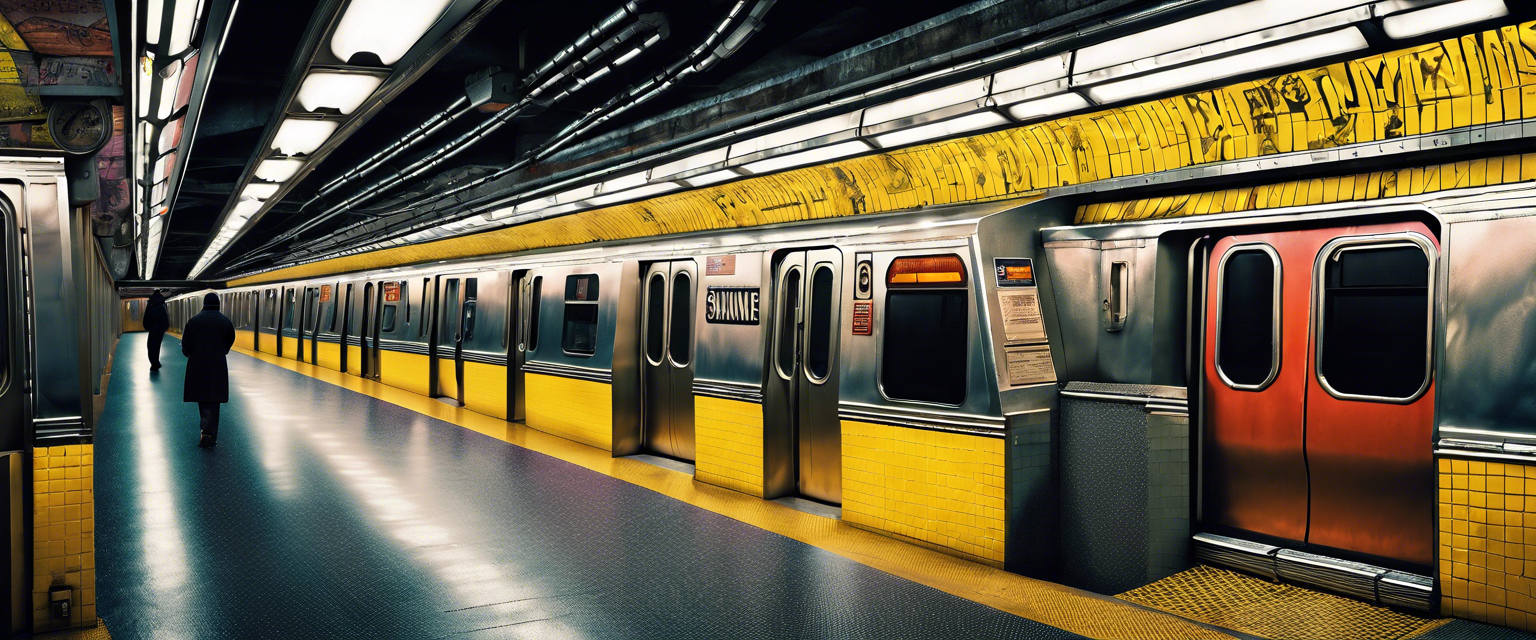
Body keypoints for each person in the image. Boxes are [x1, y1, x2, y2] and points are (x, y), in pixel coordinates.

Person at [182, 293, 235, 448]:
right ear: (218, 304)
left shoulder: (193, 321)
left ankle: (206, 432)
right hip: (217, 364)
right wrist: (222, 350)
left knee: (202, 398)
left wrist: (190, 353)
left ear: (204, 304)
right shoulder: (225, 321)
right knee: (214, 399)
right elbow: (230, 339)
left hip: (197, 364)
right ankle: (209, 433)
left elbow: (186, 344)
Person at [142, 289, 170, 371]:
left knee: (151, 346)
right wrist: (165, 327)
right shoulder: (162, 306)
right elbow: (166, 318)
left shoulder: (150, 305)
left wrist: (147, 327)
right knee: (157, 346)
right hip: (160, 329)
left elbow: (146, 318)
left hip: (153, 329)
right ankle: (156, 363)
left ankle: (154, 363)